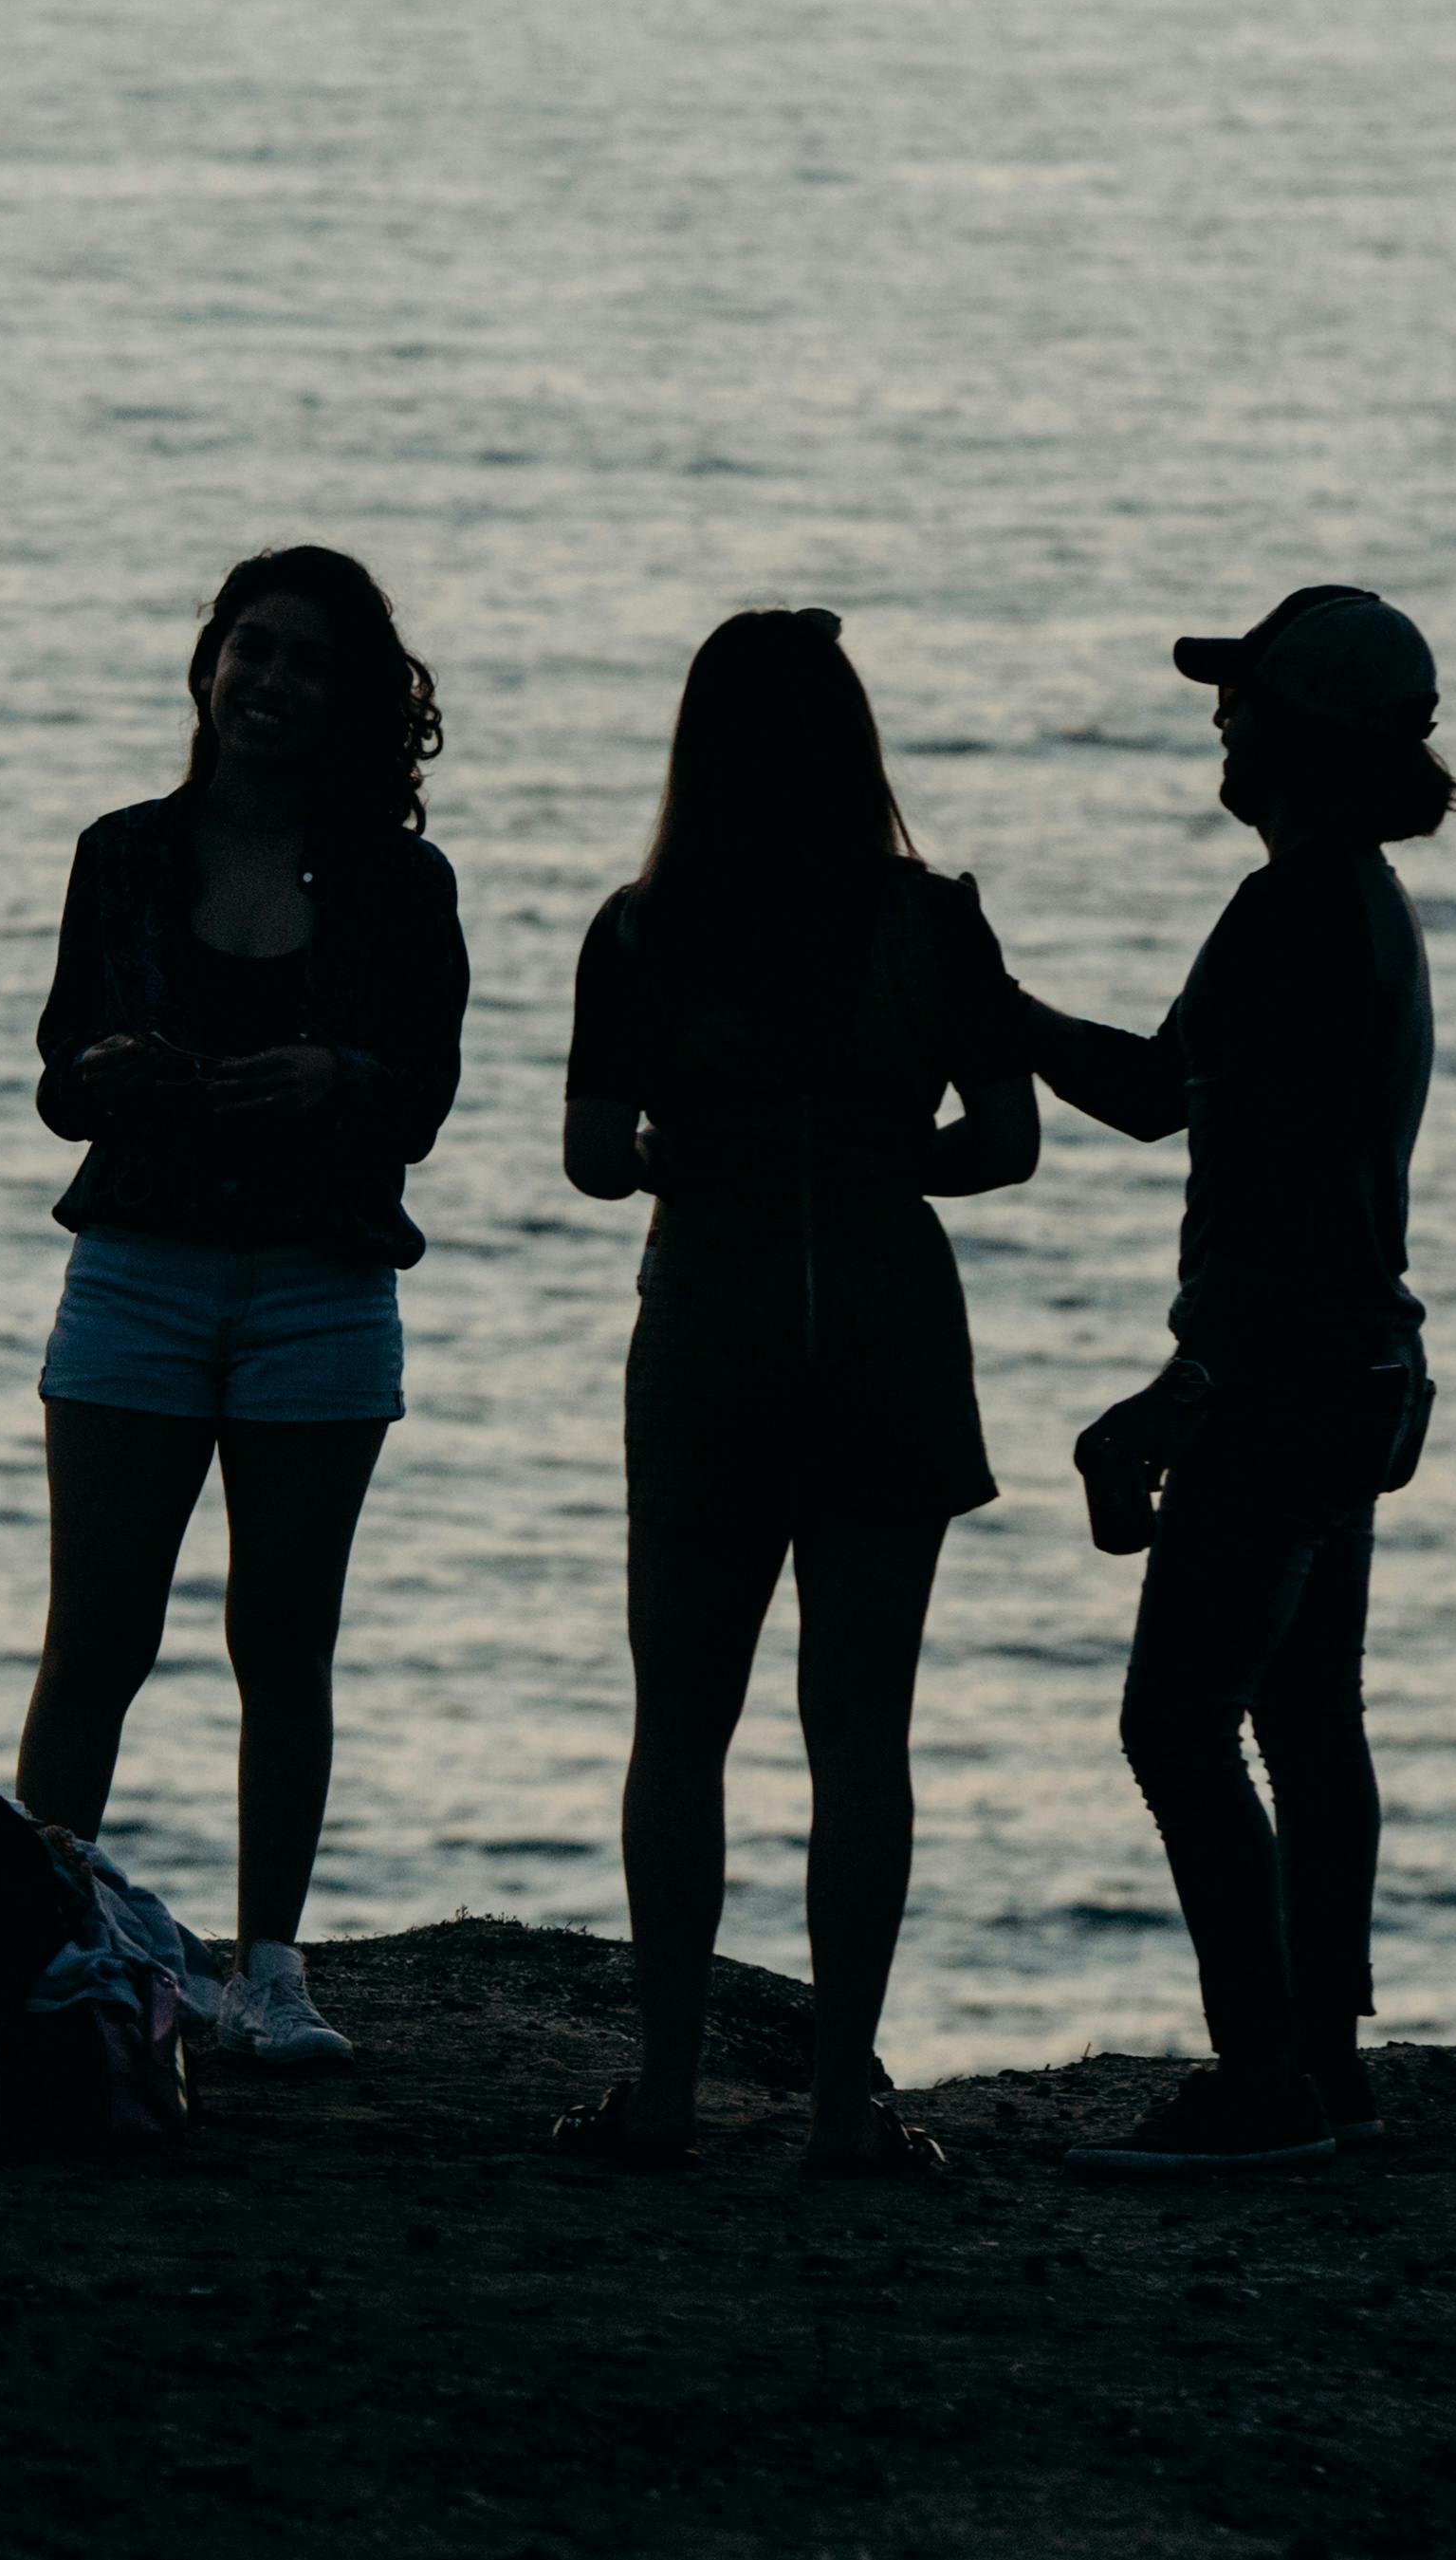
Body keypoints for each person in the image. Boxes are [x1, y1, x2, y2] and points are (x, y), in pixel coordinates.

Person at [550, 611, 1037, 2180]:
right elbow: (1007, 1140)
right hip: (888, 1328)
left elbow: (586, 1152)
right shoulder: (933, 919)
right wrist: (891, 1158)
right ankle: (839, 2113)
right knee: (861, 1738)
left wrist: (674, 1157)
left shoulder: (637, 930)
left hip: (709, 1332)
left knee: (679, 1728)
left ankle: (669, 2090)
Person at [1010, 585, 1456, 2180]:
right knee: (1308, 1722)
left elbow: (1181, 1136)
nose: (1218, 715)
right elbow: (1169, 1104)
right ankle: (1327, 2064)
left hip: (1280, 1385)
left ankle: (1261, 2078)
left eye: (1243, 698)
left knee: (1177, 1725)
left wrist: (1175, 1393)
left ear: (1304, 737)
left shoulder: (1283, 914)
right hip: (1361, 1378)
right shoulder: (1358, 904)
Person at [12, 545, 469, 2072]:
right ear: (206, 664)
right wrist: (99, 1075)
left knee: (285, 1640)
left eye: (308, 664)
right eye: (251, 650)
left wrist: (334, 1078)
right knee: (96, 1636)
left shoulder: (403, 883)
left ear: (353, 702)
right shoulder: (124, 851)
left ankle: (266, 1969)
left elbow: (425, 1096)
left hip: (320, 1285)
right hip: (137, 1270)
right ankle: (50, 1939)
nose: (271, 683)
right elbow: (56, 1076)